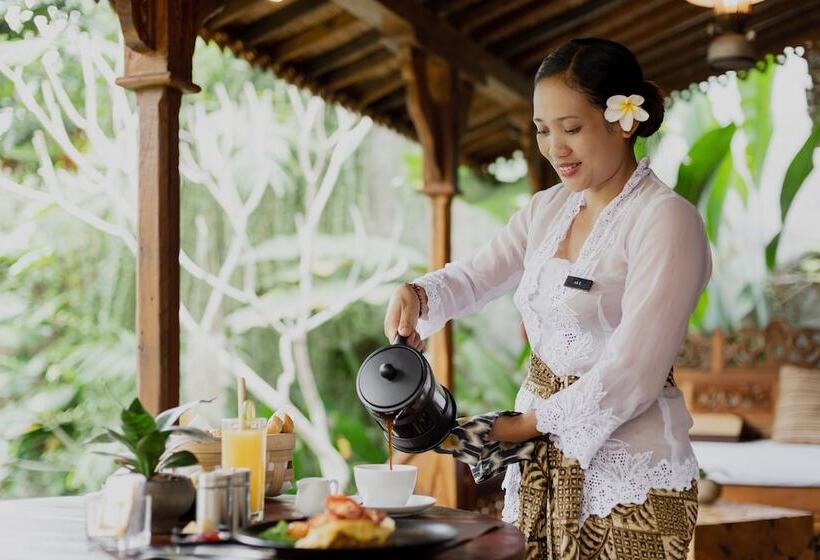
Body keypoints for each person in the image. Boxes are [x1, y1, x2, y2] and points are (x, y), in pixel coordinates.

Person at [383, 37, 711, 559]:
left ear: (623, 120)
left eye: (572, 128)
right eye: (542, 130)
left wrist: (523, 426)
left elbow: (634, 372)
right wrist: (419, 296)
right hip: (541, 461)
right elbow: (473, 278)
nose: (555, 147)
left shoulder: (666, 220)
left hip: (631, 482)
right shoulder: (547, 210)